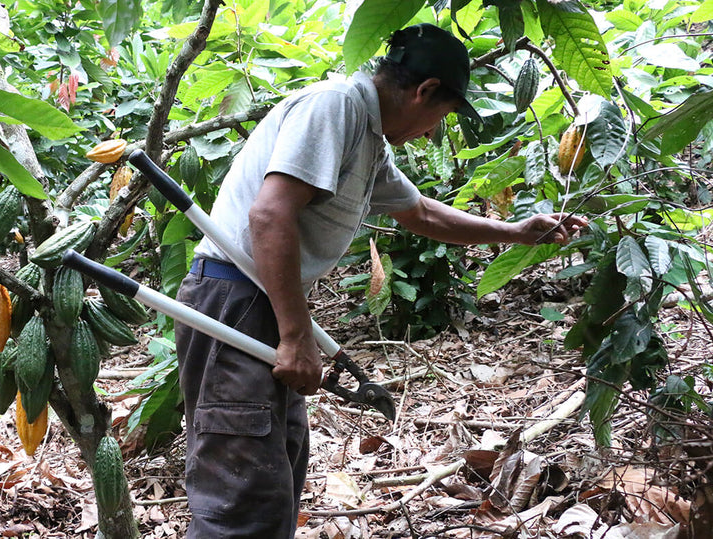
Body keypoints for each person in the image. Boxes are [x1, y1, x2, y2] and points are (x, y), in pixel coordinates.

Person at [173, 23, 586, 538]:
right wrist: (296, 334)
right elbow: (269, 216)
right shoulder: (334, 107)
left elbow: (422, 214)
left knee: (274, 474)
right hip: (233, 299)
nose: (434, 132)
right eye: (443, 115)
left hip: (260, 302)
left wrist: (516, 232)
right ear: (426, 91)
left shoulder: (368, 138)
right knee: (240, 497)